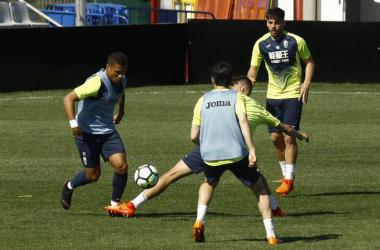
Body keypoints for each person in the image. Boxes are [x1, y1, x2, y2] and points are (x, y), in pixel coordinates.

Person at [107, 76, 309, 220]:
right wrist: (300, 135)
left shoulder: (219, 99)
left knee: (171, 176)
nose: (228, 87)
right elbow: (285, 127)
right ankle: (273, 209)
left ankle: (132, 205)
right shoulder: (256, 107)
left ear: (240, 89)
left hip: (210, 151)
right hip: (238, 154)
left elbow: (195, 134)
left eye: (232, 85)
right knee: (257, 179)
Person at [190, 61, 283, 245]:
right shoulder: (237, 97)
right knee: (260, 189)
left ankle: (200, 220)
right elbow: (243, 122)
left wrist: (207, 145)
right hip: (236, 153)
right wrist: (252, 150)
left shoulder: (203, 99)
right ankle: (271, 235)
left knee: (209, 183)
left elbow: (193, 135)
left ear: (212, 80)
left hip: (211, 155)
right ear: (230, 80)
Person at [247, 7, 315, 196]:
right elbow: (252, 71)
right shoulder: (260, 44)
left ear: (283, 23)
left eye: (277, 22)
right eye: (270, 22)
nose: (273, 26)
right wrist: (250, 80)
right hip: (273, 97)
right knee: (275, 138)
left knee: (288, 136)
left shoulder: (296, 41)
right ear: (266, 22)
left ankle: (289, 180)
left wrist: (306, 83)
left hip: (293, 95)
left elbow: (309, 62)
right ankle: (285, 175)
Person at [61, 52, 130, 212]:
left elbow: (121, 91)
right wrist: (74, 125)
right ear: (108, 67)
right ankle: (69, 185)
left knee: (122, 166)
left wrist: (121, 111)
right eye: (117, 72)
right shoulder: (96, 83)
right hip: (85, 133)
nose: (120, 76)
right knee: (93, 175)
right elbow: (68, 98)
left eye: (123, 72)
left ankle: (115, 206)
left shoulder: (122, 80)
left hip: (108, 132)